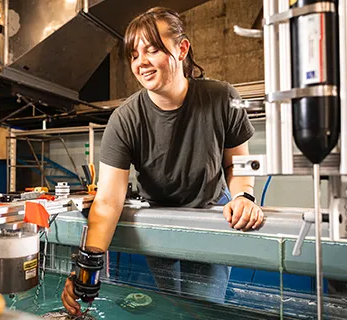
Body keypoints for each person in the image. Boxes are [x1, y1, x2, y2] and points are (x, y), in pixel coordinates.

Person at [61, 6, 264, 315]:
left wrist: (244, 196)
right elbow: (107, 201)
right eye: (133, 54)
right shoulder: (124, 119)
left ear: (181, 49)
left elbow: (238, 164)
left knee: (203, 309)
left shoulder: (222, 98)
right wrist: (87, 268)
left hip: (210, 213)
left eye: (152, 50)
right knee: (171, 306)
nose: (141, 62)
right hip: (159, 218)